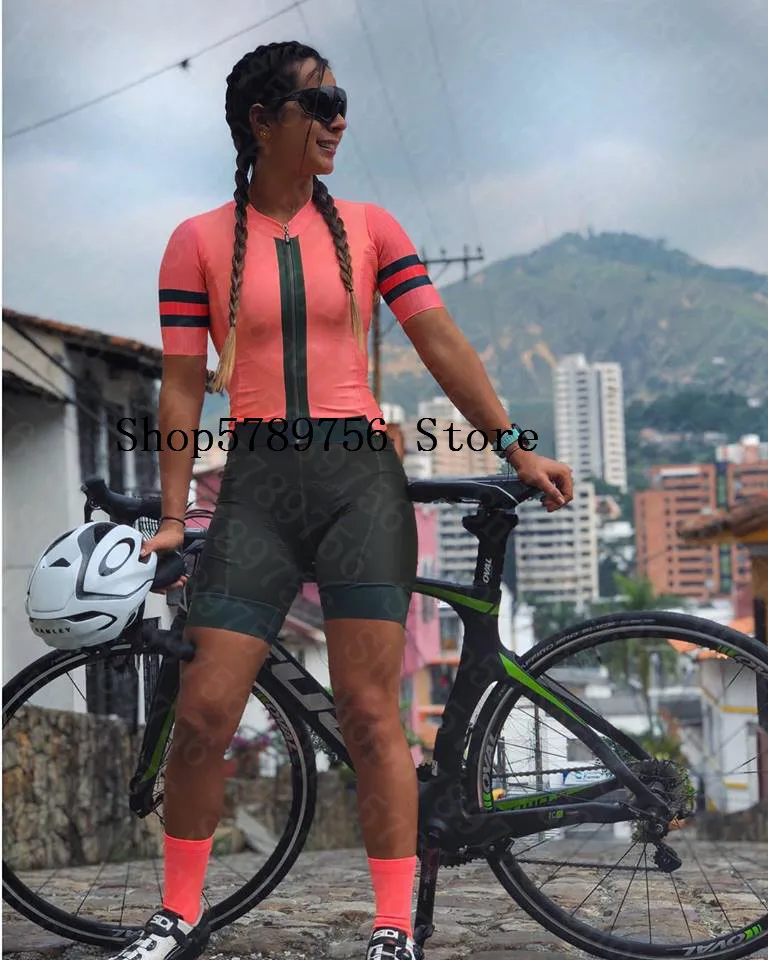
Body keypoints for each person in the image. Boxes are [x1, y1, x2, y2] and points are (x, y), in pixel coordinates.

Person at [116, 40, 573, 960]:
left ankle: (394, 927)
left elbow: (439, 341)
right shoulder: (195, 241)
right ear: (262, 121)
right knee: (204, 711)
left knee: (369, 714)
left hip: (360, 484)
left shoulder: (370, 228)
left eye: (339, 101)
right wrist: (170, 516)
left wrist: (515, 445)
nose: (339, 120)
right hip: (256, 489)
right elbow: (179, 387)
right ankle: (178, 915)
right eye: (320, 104)